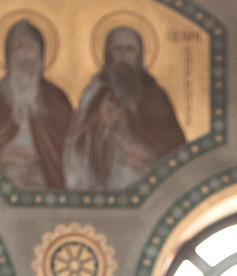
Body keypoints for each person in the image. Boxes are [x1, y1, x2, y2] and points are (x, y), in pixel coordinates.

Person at [65, 25, 186, 191]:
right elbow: (75, 142)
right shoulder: (93, 92)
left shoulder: (155, 95)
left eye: (130, 49)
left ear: (139, 55)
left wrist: (149, 155)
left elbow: (175, 144)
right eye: (117, 49)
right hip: (101, 183)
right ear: (108, 54)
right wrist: (101, 125)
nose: (123, 55)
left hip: (144, 184)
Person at [0, 19, 73, 189]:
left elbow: (71, 146)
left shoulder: (55, 97)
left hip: (45, 177)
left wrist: (44, 157)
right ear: (8, 55)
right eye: (18, 46)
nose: (24, 54)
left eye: (30, 47)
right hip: (1, 175)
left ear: (41, 55)